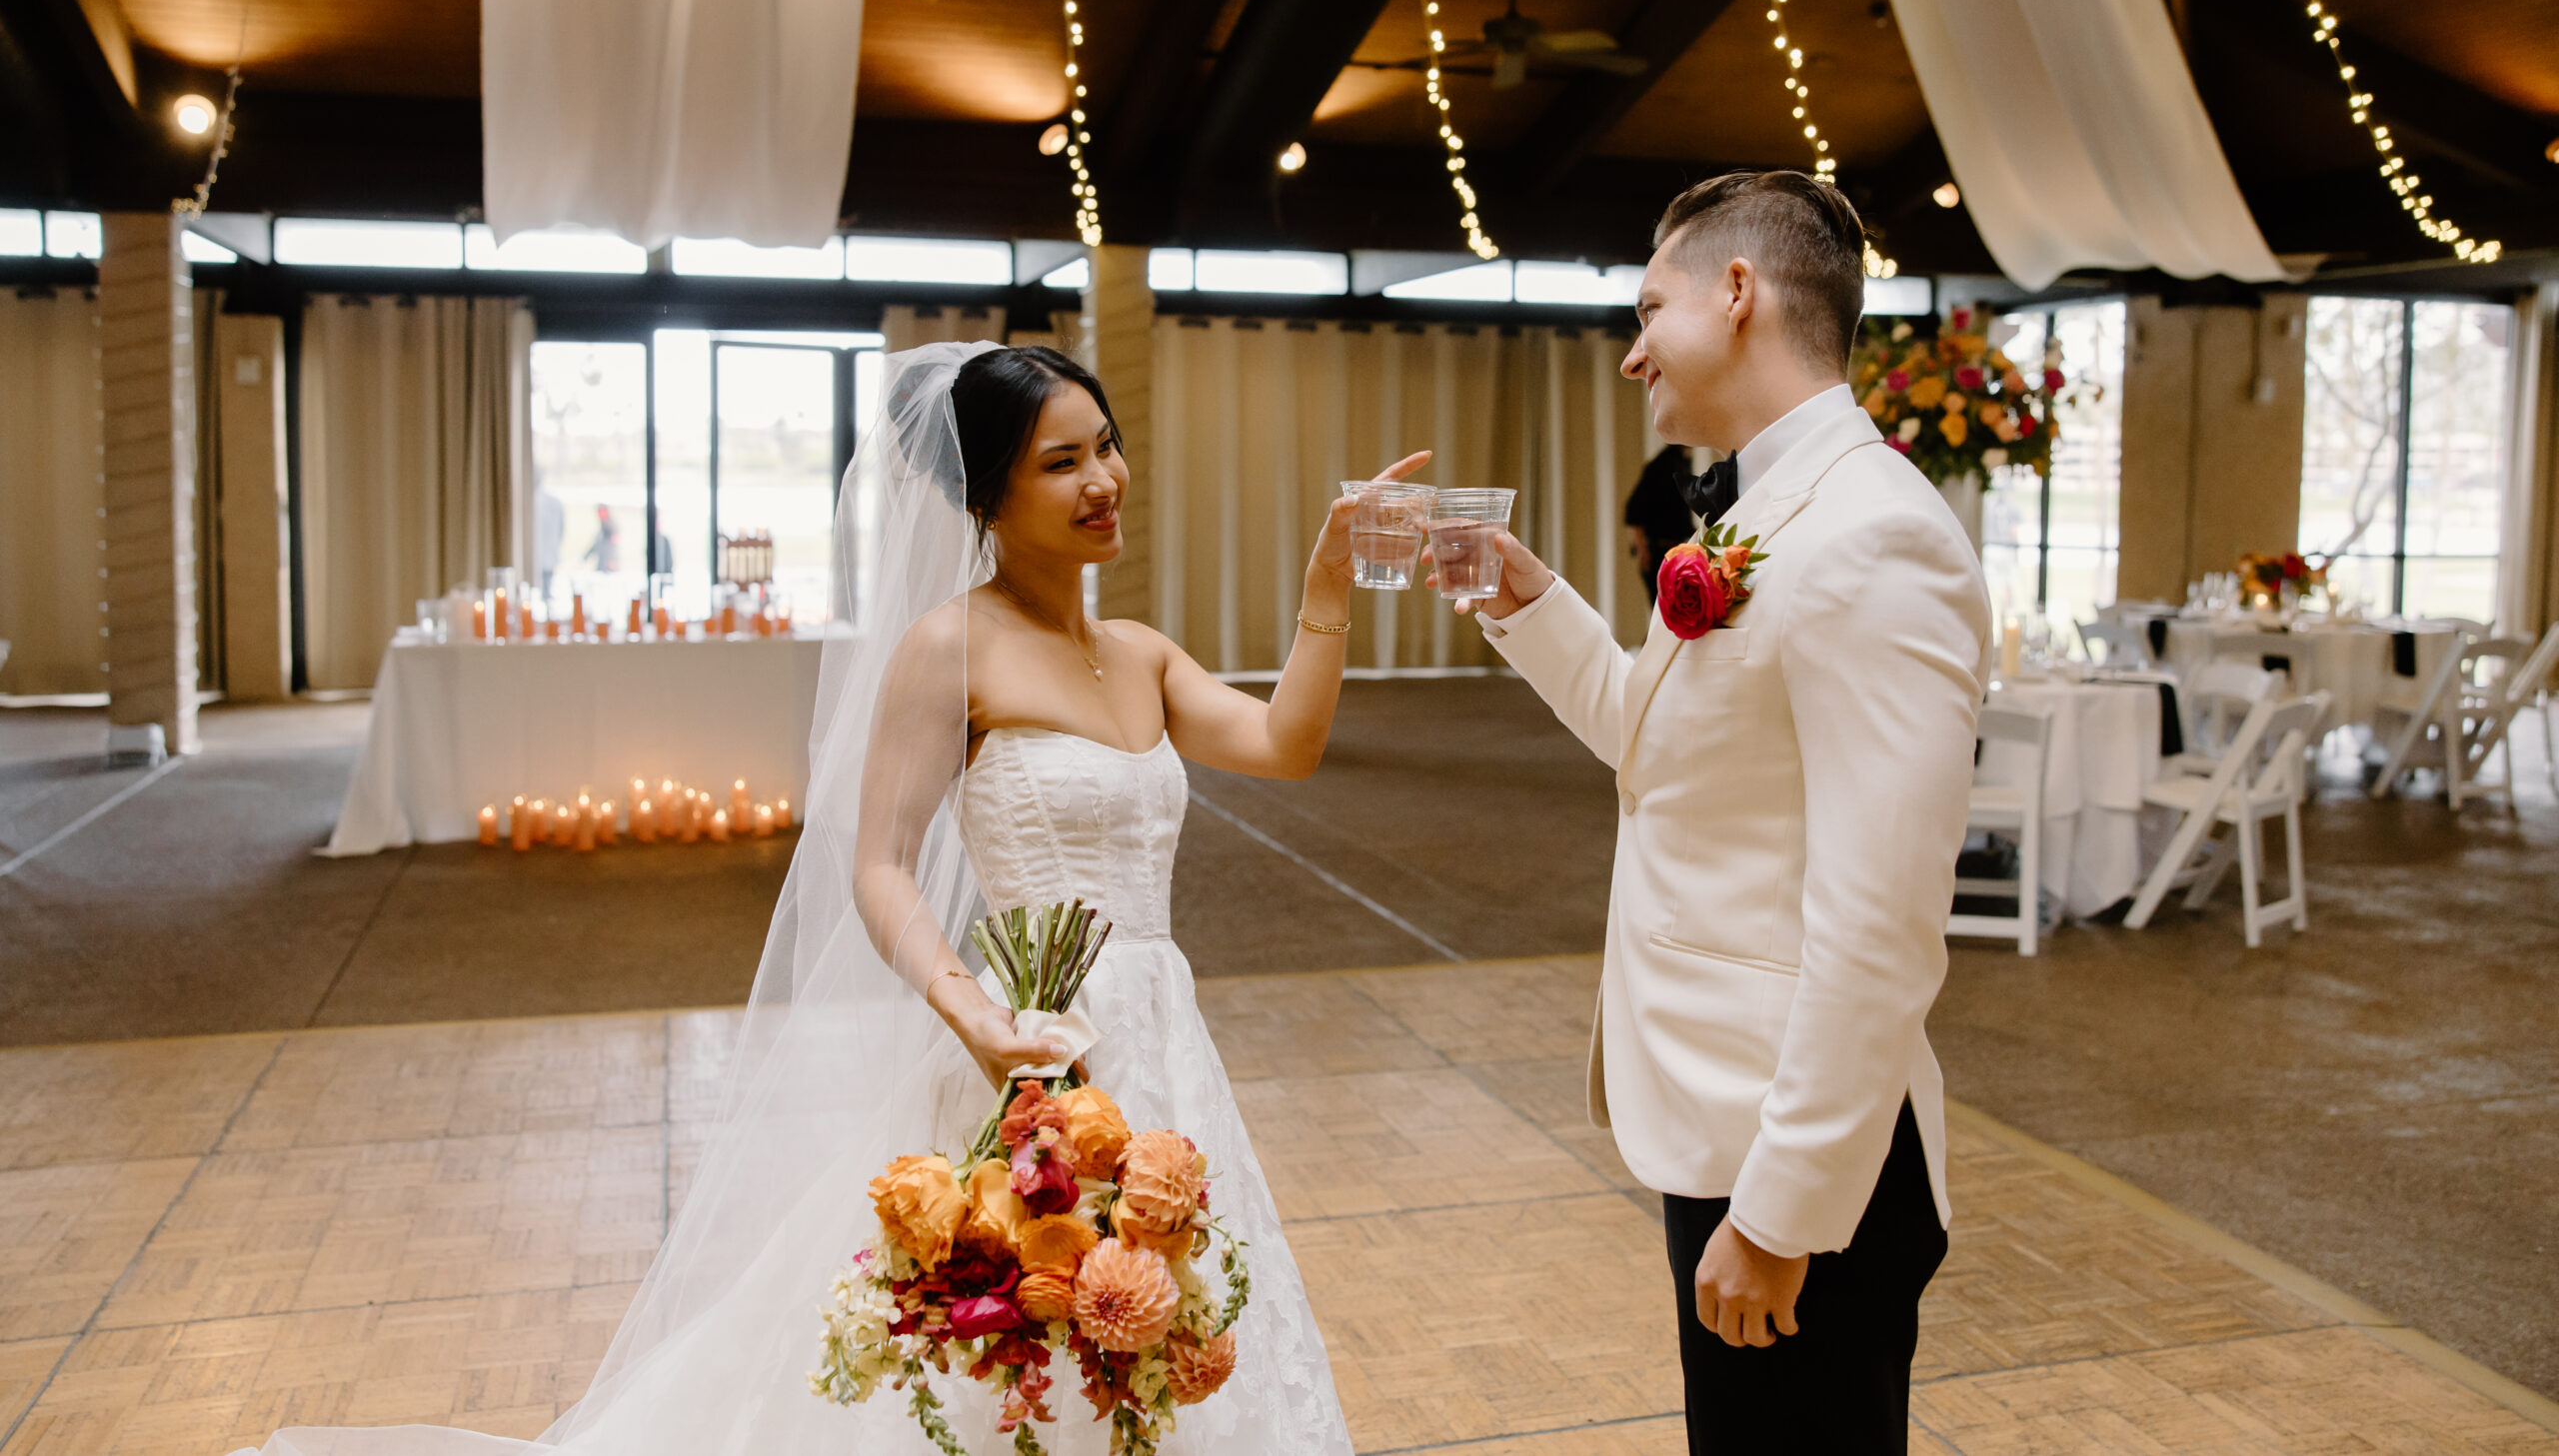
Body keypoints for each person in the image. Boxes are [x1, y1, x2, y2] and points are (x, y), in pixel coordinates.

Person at [228, 343, 1396, 1456]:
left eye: (1106, 446)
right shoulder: (949, 649)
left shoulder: (1141, 652)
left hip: (1164, 1031)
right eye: (1060, 462)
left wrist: (1326, 585)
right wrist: (974, 1016)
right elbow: (879, 861)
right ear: (985, 496)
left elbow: (1285, 742)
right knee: (1025, 1317)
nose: (1103, 481)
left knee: (1169, 1298)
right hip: (1030, 1043)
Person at [1439, 172, 1988, 1453]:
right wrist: (1531, 603)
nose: (1631, 355)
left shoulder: (1869, 537)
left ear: (1737, 293)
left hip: (1802, 1160)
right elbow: (1661, 748)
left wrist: (1783, 1212)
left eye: (1648, 308)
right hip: (1727, 1116)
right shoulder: (1766, 511)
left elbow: (1882, 925)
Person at [1622, 443, 1698, 603]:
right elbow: (1634, 510)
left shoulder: (1681, 461)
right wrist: (1642, 550)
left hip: (1675, 549)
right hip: (1659, 552)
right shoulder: (1664, 465)